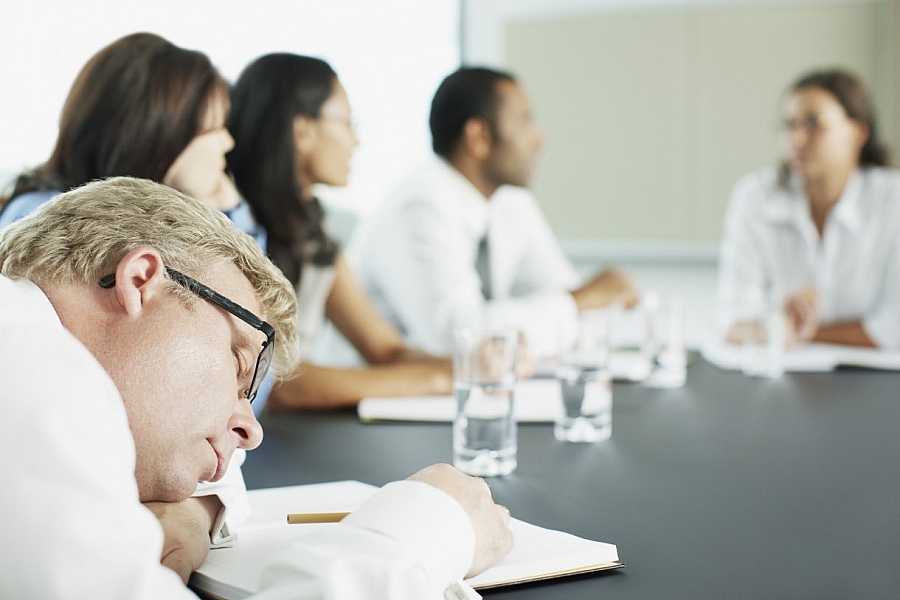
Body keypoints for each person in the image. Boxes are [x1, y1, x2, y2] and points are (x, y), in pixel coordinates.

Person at [0, 176, 513, 599]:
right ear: (141, 281)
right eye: (238, 361)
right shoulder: (34, 367)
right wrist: (424, 530)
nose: (250, 430)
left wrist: (192, 506)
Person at [332, 67, 638, 361]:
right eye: (524, 121)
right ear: (478, 137)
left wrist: (575, 303)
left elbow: (568, 304)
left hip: (455, 394)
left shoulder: (510, 201)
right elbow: (461, 340)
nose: (539, 138)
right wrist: (579, 301)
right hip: (367, 404)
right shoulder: (419, 203)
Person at [228, 53, 453, 410]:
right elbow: (274, 379)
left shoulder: (311, 231)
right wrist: (434, 379)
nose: (355, 141)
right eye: (348, 123)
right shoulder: (236, 228)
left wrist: (467, 370)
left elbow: (383, 347)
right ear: (302, 131)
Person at [0, 33, 262, 246]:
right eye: (213, 129)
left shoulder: (148, 219)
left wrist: (224, 209)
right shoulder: (45, 224)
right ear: (157, 141)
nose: (228, 142)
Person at [716, 69, 900, 349]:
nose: (797, 139)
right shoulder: (755, 197)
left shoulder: (892, 199)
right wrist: (777, 321)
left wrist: (802, 332)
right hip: (782, 378)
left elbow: (894, 326)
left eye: (814, 124)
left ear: (858, 132)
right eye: (789, 125)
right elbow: (732, 318)